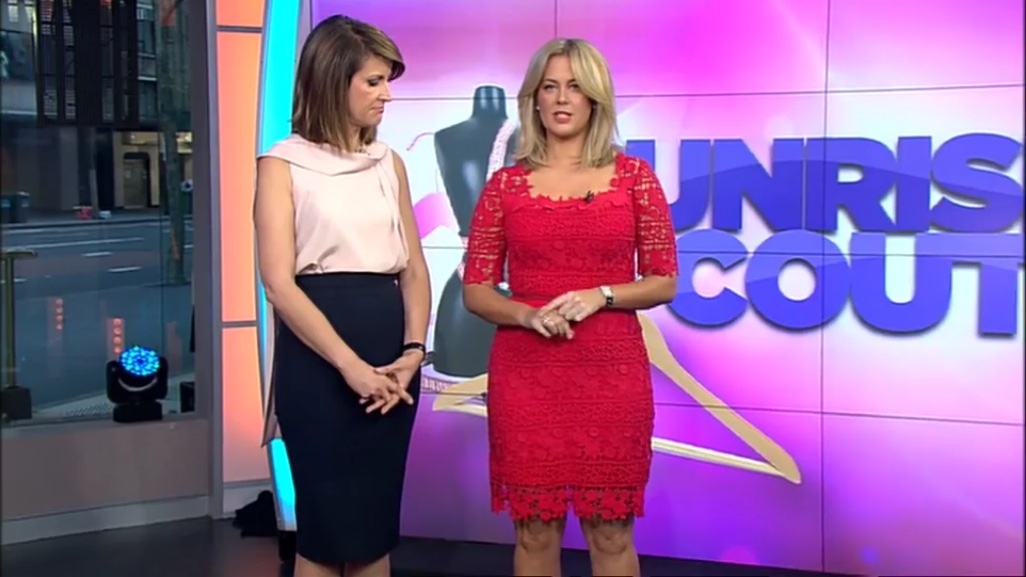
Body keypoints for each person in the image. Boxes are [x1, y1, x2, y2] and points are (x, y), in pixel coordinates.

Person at [462, 38, 679, 577]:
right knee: (534, 532)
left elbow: (663, 282)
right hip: (526, 374)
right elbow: (476, 289)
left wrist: (602, 294)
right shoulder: (505, 187)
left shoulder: (635, 178)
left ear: (595, 98)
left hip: (611, 375)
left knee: (611, 532)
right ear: (533, 99)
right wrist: (525, 314)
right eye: (550, 87)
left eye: (576, 87)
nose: (562, 99)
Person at [253, 15, 430, 577]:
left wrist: (413, 352)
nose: (387, 95)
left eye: (387, 81)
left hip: (392, 362)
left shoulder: (389, 162)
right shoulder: (282, 164)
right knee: (325, 536)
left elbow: (414, 268)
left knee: (373, 532)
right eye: (373, 82)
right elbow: (278, 283)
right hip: (318, 365)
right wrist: (351, 367)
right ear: (334, 81)